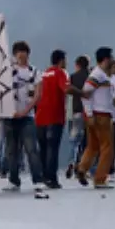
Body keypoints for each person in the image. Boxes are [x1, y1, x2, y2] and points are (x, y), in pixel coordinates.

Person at [35, 49, 81, 190]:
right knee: (52, 149)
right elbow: (66, 89)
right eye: (65, 60)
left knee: (43, 148)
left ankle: (43, 175)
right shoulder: (60, 72)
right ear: (61, 60)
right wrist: (82, 93)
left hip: (40, 117)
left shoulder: (43, 74)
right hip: (54, 116)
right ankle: (52, 178)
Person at [6, 41, 47, 198]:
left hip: (27, 117)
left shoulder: (34, 72)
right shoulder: (8, 70)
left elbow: (38, 95)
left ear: (28, 54)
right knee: (11, 151)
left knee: (31, 149)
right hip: (10, 116)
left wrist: (25, 111)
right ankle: (13, 180)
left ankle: (37, 179)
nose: (21, 55)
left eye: (23, 52)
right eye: (18, 52)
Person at [75, 47, 115, 190]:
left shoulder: (100, 75)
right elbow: (85, 94)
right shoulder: (97, 75)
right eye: (111, 57)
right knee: (107, 148)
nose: (112, 60)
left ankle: (82, 168)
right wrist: (89, 113)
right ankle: (100, 178)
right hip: (101, 115)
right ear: (105, 59)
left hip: (96, 114)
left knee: (93, 146)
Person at [64, 55, 89, 180]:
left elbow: (67, 91)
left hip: (76, 111)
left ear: (77, 65)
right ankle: (83, 166)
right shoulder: (91, 76)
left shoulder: (72, 77)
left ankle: (71, 161)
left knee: (74, 141)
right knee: (88, 142)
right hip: (89, 112)